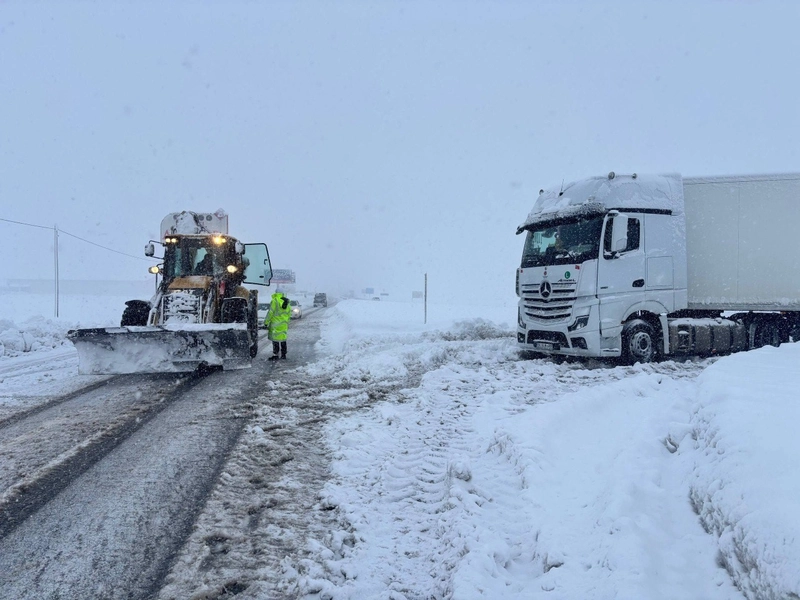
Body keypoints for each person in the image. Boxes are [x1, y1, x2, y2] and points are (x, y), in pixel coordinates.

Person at [265, 288, 291, 360]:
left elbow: (270, 312)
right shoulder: (287, 302)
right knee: (283, 339)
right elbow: (289, 313)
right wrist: (287, 322)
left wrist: (266, 322)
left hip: (275, 324)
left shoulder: (275, 300)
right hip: (284, 324)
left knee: (275, 340)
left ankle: (275, 355)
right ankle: (283, 355)